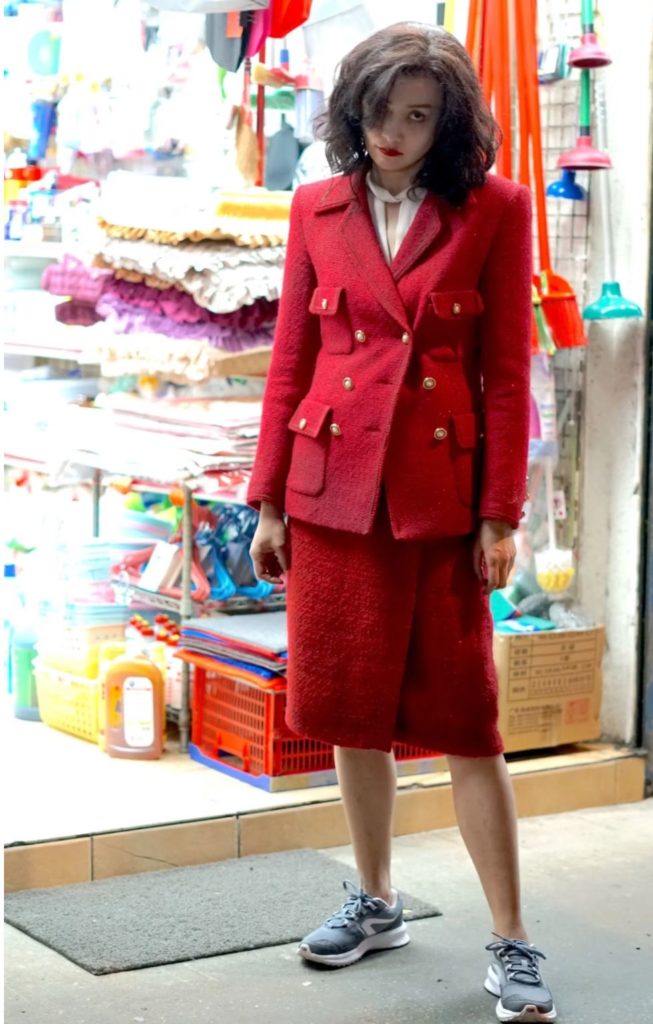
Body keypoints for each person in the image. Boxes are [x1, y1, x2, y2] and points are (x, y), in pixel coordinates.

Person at [247, 22, 556, 1024]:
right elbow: (289, 361)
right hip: (330, 495)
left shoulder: (493, 209)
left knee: (468, 722)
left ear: (447, 124)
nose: (394, 133)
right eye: (380, 113)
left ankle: (511, 937)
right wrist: (266, 501)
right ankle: (375, 901)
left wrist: (498, 514)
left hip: (437, 502)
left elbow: (504, 375)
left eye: (418, 117)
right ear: (352, 111)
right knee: (349, 710)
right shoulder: (313, 206)